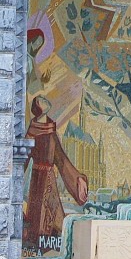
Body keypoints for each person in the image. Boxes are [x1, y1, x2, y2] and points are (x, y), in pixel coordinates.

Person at [23, 95, 88, 244]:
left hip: (49, 177)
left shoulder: (51, 128)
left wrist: (77, 179)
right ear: (37, 107)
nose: (46, 100)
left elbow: (61, 158)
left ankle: (51, 241)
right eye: (42, 100)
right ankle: (38, 241)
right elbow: (24, 158)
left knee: (53, 210)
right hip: (37, 178)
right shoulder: (32, 130)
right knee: (38, 212)